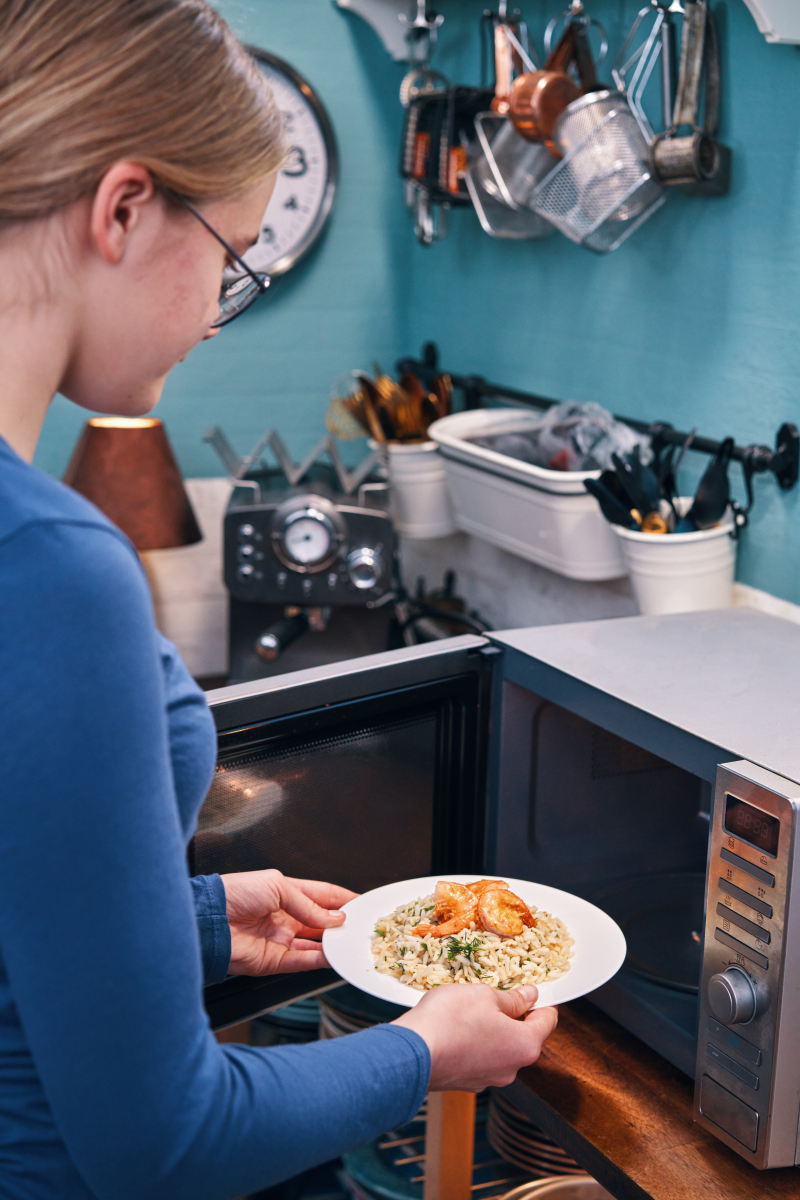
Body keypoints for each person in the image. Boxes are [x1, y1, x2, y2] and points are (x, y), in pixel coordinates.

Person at [0, 2, 559, 1197]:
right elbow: (167, 1142)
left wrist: (190, 918)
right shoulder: (49, 568)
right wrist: (429, 1048)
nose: (215, 314)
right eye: (233, 260)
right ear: (124, 207)